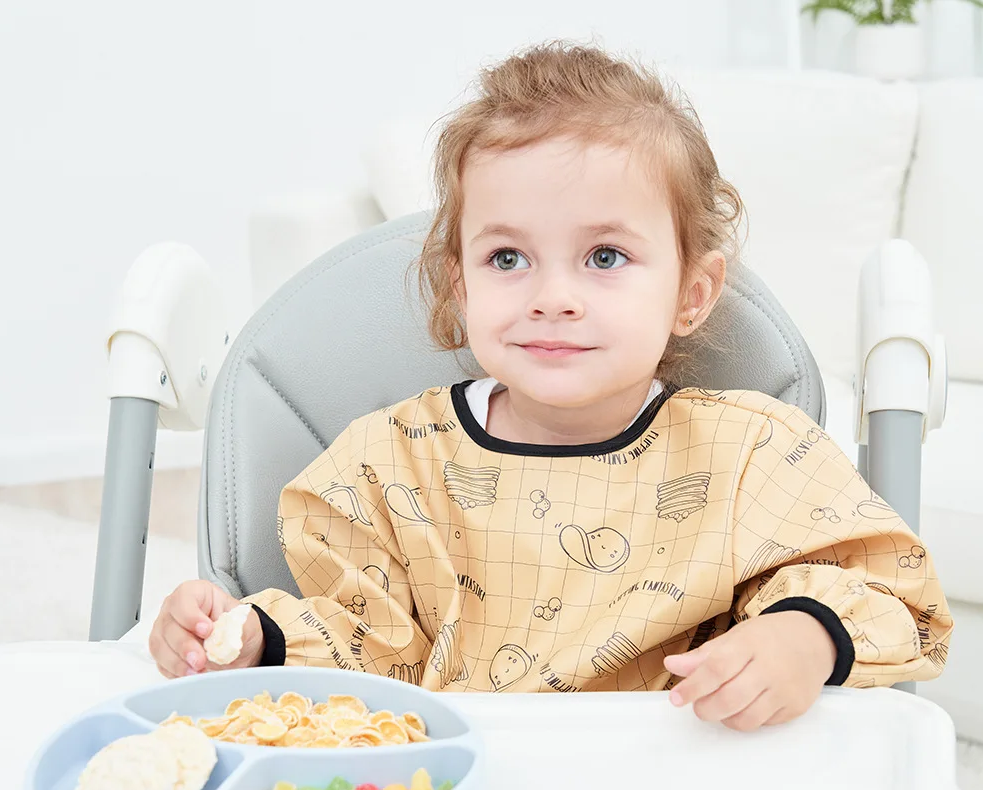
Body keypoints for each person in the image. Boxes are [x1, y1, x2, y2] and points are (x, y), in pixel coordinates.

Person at [149, 40, 952, 731]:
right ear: (460, 287)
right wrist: (253, 636)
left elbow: (889, 590)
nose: (551, 296)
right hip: (458, 788)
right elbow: (368, 643)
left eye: (604, 257)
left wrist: (802, 639)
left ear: (692, 293)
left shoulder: (748, 453)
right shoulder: (391, 464)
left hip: (676, 781)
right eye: (507, 259)